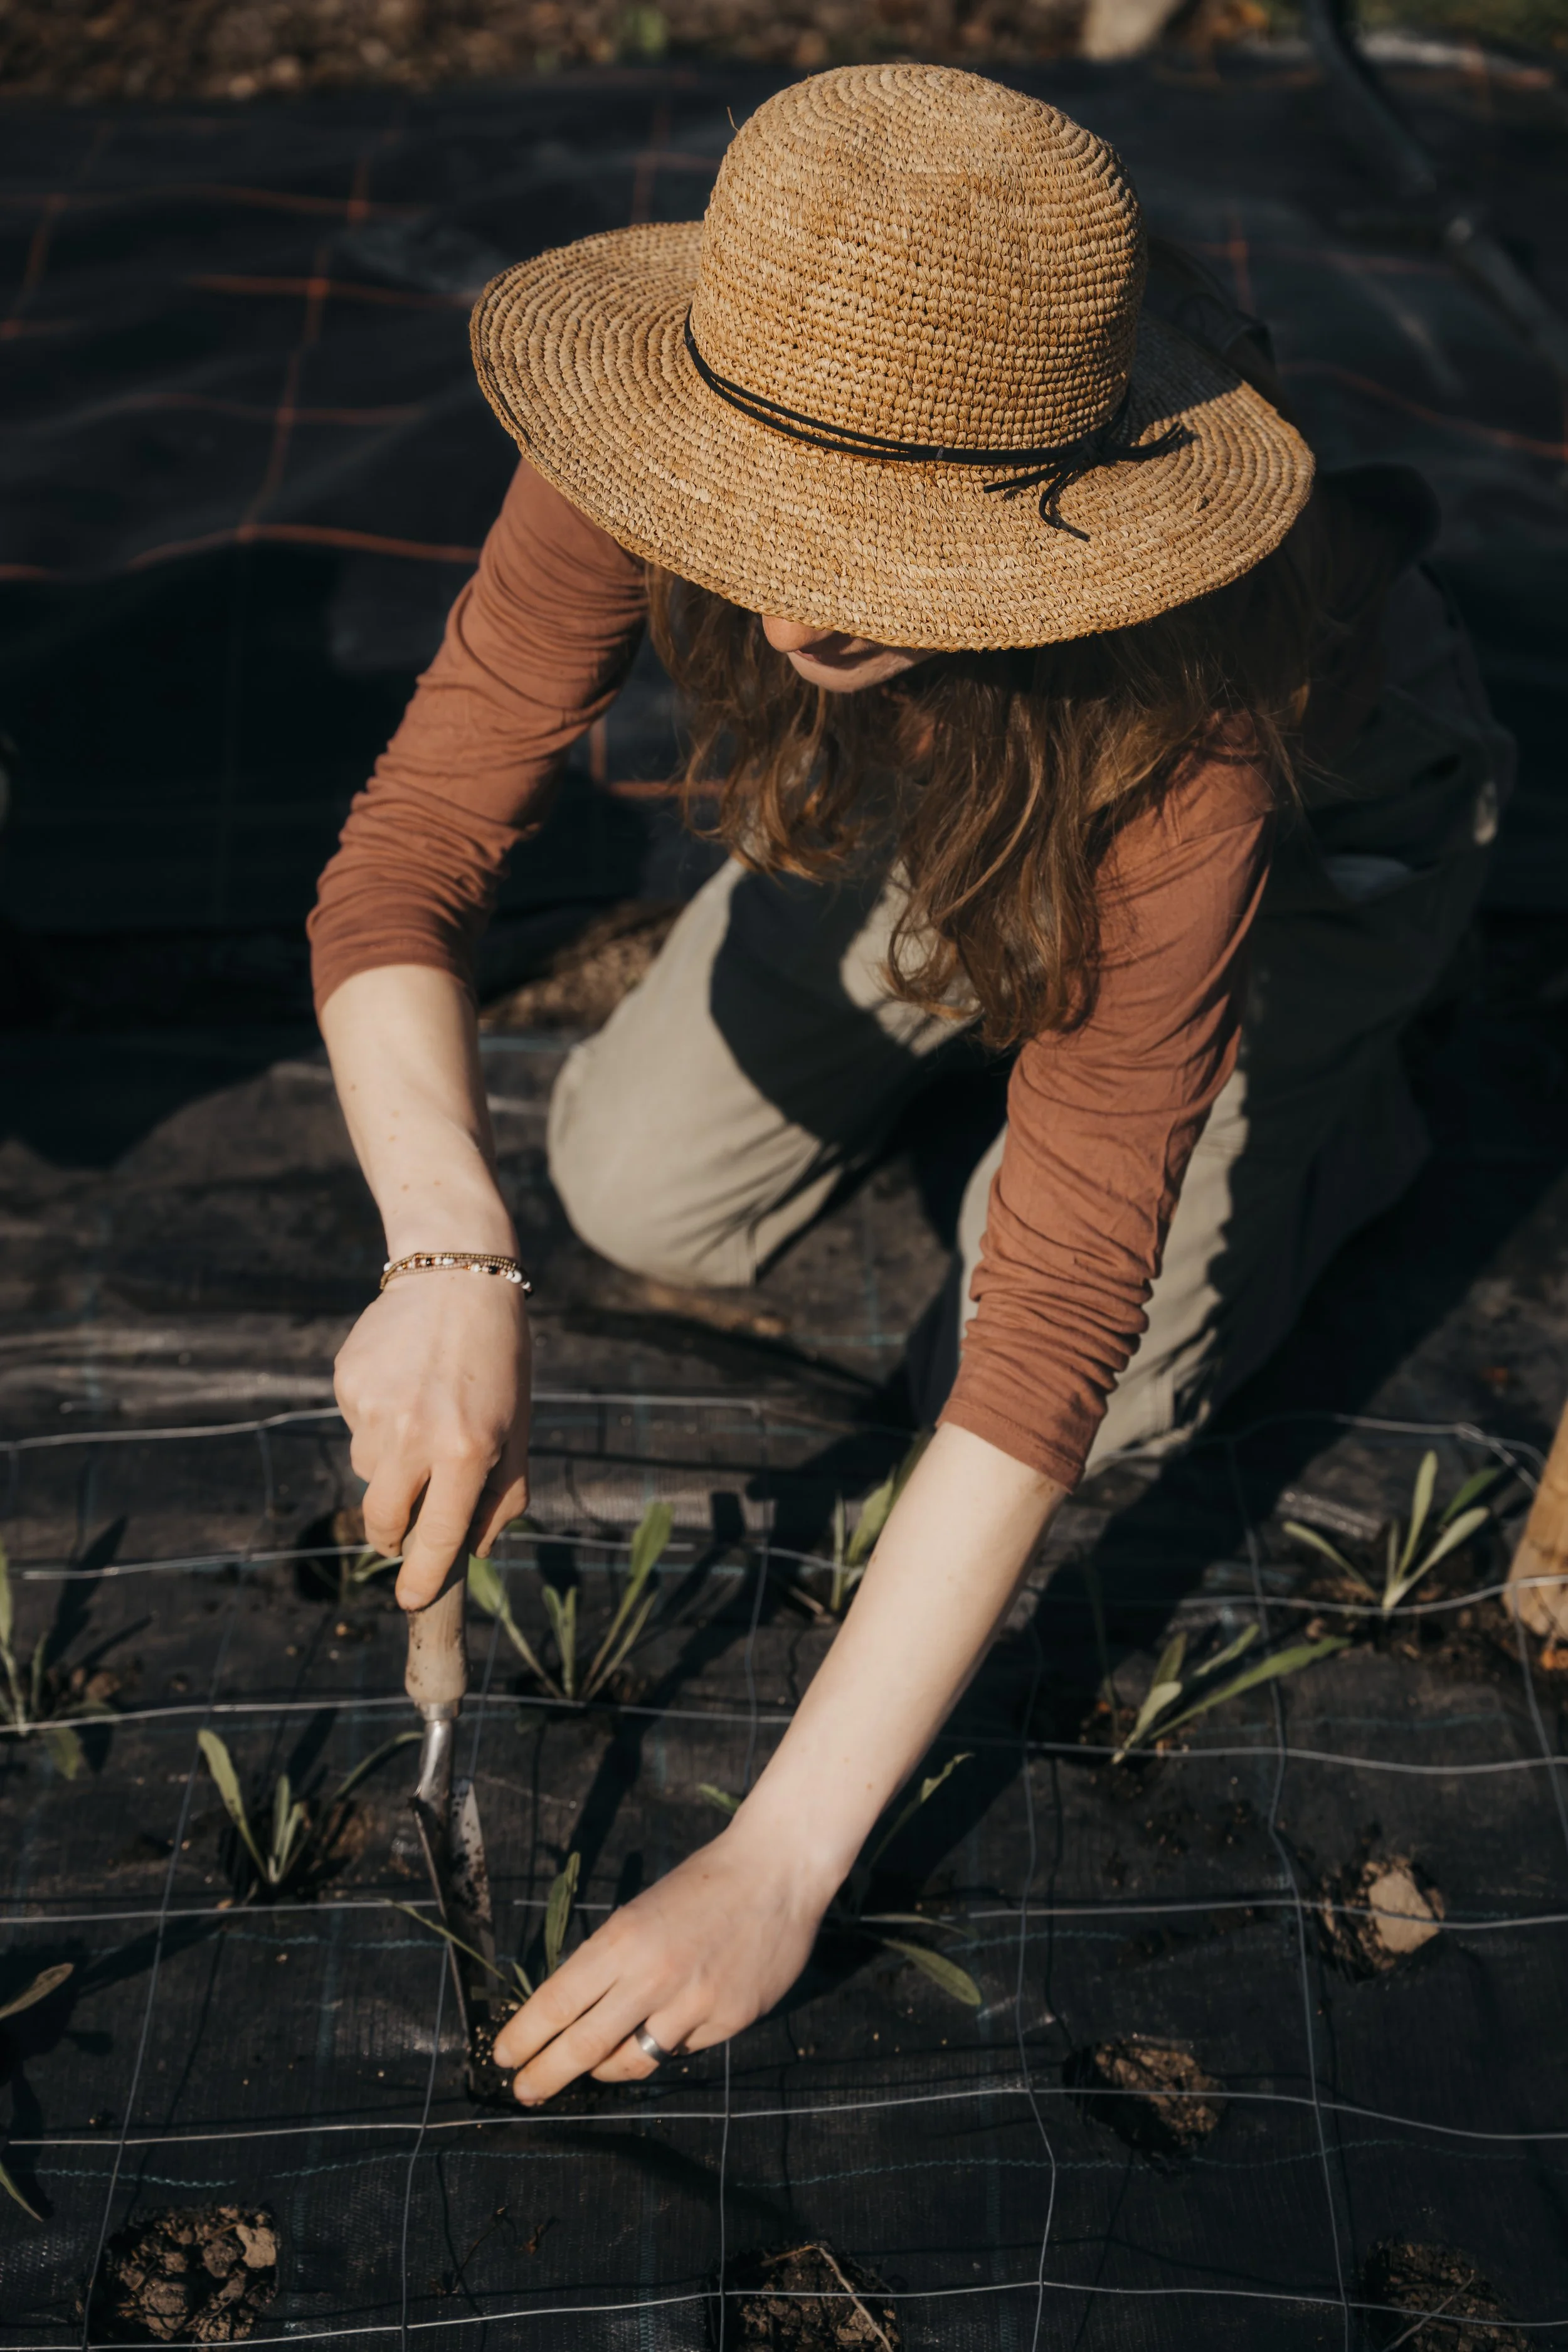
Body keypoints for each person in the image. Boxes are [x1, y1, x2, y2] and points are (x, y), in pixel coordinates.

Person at [309, 65, 1508, 2104]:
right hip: (940, 802)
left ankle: (1334, 1098)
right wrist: (443, 1249)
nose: (790, 600)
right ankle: (983, 985)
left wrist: (780, 1856)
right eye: (767, 518)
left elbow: (1047, 1323)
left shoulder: (1195, 696)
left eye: (874, 544)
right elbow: (412, 846)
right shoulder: (657, 421)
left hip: (1300, 837)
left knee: (1112, 1378)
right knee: (622, 1183)